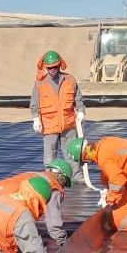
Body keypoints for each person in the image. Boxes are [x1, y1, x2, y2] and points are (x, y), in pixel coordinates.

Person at [0, 159, 74, 247]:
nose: (63, 187)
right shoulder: (53, 186)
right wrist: (62, 239)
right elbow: (53, 218)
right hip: (9, 200)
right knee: (22, 233)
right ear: (62, 177)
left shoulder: (33, 174)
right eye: (65, 183)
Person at [30, 50, 86, 183]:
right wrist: (36, 119)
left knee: (71, 151)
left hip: (68, 123)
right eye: (50, 68)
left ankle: (76, 176)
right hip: (49, 124)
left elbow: (78, 99)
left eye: (55, 67)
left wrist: (81, 111)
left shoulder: (70, 80)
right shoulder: (40, 84)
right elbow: (34, 104)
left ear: (60, 65)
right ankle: (51, 178)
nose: (52, 70)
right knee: (50, 154)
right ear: (46, 67)